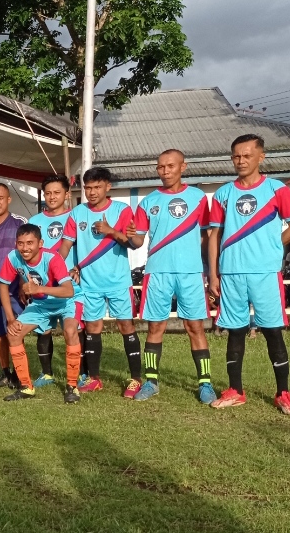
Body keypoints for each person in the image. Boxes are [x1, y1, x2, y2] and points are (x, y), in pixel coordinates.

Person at [208, 134, 290, 415]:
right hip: (231, 273)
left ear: (260, 157)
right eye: (236, 156)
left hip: (265, 273)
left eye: (247, 156)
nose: (241, 161)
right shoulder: (224, 193)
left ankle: (283, 394)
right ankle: (235, 390)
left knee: (272, 331)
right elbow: (214, 235)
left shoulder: (277, 190)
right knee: (235, 331)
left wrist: (273, 247)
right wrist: (213, 273)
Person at [128, 149, 216, 404]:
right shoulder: (148, 202)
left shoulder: (198, 198)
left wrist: (211, 270)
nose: (165, 171)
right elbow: (137, 241)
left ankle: (205, 384)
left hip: (190, 272)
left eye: (170, 166)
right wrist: (131, 234)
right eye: (160, 167)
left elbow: (207, 237)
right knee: (155, 327)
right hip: (157, 272)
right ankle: (151, 382)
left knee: (195, 327)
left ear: (183, 167)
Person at [60, 166, 144, 398]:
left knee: (125, 326)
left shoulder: (122, 210)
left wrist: (110, 231)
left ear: (108, 187)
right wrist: (59, 270)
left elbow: (133, 243)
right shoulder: (77, 214)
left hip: (118, 281)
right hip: (89, 283)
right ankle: (94, 378)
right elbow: (66, 245)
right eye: (88, 187)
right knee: (92, 327)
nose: (92, 192)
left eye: (97, 187)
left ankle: (136, 379)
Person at [0, 224, 82, 403]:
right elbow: (3, 285)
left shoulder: (53, 258)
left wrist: (38, 288)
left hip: (67, 301)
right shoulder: (13, 257)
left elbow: (68, 291)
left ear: (40, 243)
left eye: (30, 243)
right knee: (14, 334)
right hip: (41, 303)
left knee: (70, 332)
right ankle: (27, 387)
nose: (25, 248)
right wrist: (11, 319)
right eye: (21, 243)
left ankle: (72, 386)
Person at [27, 174, 83, 389]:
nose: (52, 197)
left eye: (57, 192)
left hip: (70, 286)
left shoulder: (75, 217)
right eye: (48, 193)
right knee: (44, 330)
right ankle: (47, 372)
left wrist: (79, 267)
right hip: (42, 286)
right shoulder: (35, 221)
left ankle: (79, 373)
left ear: (67, 194)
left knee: (74, 330)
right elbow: (27, 252)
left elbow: (84, 247)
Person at [0, 183, 28, 391]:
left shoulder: (20, 223)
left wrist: (23, 282)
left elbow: (27, 256)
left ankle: (21, 374)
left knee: (15, 332)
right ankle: (5, 372)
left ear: (9, 199)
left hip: (13, 291)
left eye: (0, 198)